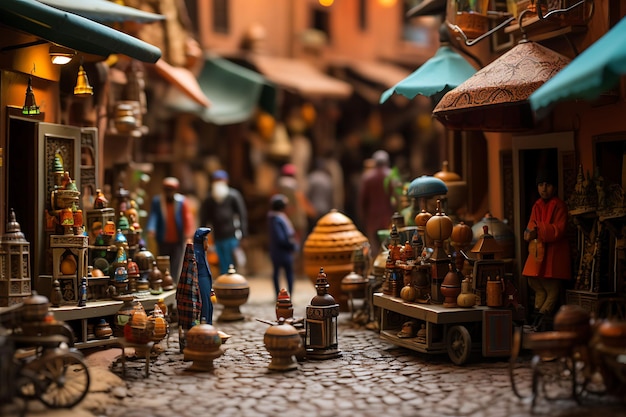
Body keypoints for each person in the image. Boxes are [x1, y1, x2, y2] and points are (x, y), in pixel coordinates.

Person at [522, 169, 571, 331]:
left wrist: (539, 231)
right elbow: (531, 226)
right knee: (536, 285)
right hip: (538, 253)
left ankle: (541, 318)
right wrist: (529, 233)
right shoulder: (537, 205)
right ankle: (537, 317)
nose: (544, 188)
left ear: (554, 188)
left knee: (552, 289)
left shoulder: (559, 206)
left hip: (554, 255)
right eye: (541, 185)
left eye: (548, 185)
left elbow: (559, 230)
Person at [146, 177, 195, 283]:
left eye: (171, 190)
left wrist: (188, 234)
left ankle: (172, 280)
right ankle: (163, 279)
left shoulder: (181, 201)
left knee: (176, 261)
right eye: (167, 189)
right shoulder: (157, 201)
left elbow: (187, 217)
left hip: (177, 238)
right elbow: (154, 216)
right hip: (163, 237)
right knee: (162, 260)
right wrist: (151, 228)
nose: (169, 192)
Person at [199, 170, 248, 275]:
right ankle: (224, 281)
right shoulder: (209, 199)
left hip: (232, 235)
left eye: (221, 180)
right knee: (222, 261)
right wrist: (202, 236)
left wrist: (243, 234)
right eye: (216, 180)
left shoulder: (233, 196)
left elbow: (242, 215)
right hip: (218, 236)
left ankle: (233, 281)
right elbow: (204, 219)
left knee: (233, 260)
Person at [357, 150, 395, 258]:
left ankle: (375, 270)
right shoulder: (391, 176)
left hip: (371, 218)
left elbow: (362, 200)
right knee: (388, 247)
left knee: (374, 249)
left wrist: (362, 217)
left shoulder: (367, 177)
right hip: (388, 217)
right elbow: (395, 199)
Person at [276, 163, 316, 244]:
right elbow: (303, 202)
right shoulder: (295, 186)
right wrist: (312, 212)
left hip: (283, 220)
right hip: (297, 222)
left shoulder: (278, 187)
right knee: (295, 245)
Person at [267, 194, 298, 297]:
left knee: (279, 273)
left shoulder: (276, 218)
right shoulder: (277, 219)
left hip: (278, 250)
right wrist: (291, 245)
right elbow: (281, 237)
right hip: (282, 251)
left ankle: (284, 294)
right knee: (285, 273)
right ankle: (283, 294)